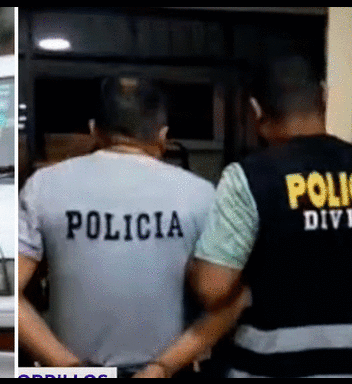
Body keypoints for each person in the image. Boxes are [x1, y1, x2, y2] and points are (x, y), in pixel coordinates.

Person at [18, 76, 216, 378]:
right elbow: (229, 300)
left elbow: (7, 293)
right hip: (170, 372)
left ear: (93, 130)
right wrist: (163, 368)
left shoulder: (43, 187)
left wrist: (68, 368)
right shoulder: (201, 194)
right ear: (163, 136)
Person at [187, 55, 352, 378]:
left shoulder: (248, 178)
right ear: (324, 97)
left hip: (269, 368)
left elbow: (212, 288)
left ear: (255, 110)